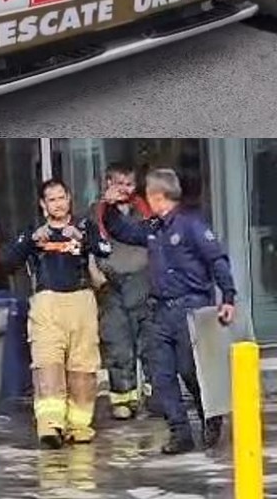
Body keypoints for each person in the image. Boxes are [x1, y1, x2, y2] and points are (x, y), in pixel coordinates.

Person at [101, 168, 237, 454]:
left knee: (190, 371)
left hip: (190, 307)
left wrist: (228, 297)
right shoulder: (153, 228)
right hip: (160, 310)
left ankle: (210, 415)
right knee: (162, 376)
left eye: (148, 194)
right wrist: (110, 205)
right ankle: (180, 432)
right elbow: (122, 230)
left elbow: (217, 259)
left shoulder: (190, 224)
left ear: (157, 196)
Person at [0, 179, 111, 449]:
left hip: (81, 300)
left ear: (69, 199)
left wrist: (84, 240)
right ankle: (50, 426)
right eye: (52, 199)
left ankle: (80, 425)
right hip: (47, 304)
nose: (58, 204)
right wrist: (29, 240)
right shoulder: (34, 232)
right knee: (47, 364)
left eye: (62, 198)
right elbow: (6, 261)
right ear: (43, 204)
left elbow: (105, 249)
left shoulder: (85, 227)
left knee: (83, 367)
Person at [91, 164, 157, 421]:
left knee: (150, 343)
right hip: (111, 284)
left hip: (143, 281)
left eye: (129, 183)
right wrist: (95, 275)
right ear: (107, 183)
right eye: (118, 183)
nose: (124, 189)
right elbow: (86, 246)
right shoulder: (94, 211)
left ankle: (156, 396)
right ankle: (122, 398)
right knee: (117, 343)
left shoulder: (146, 209)